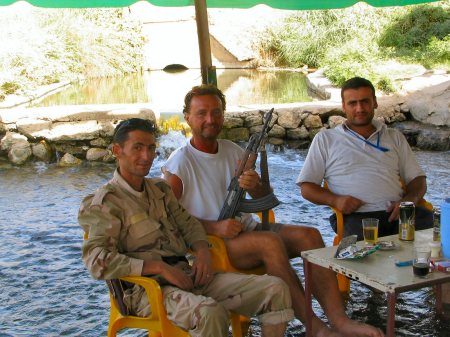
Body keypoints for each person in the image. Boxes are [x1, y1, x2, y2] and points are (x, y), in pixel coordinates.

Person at [162, 84, 384, 337]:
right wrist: (214, 227)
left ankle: (340, 320)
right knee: (269, 243)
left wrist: (255, 185)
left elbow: (265, 198)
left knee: (310, 236)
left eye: (216, 112)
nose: (210, 119)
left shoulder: (233, 150)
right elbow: (168, 220)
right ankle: (316, 328)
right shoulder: (179, 164)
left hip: (243, 231)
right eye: (201, 113)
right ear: (187, 117)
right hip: (211, 243)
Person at [78, 118, 294, 337]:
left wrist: (202, 252)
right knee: (210, 313)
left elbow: (189, 224)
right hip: (147, 291)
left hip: (186, 276)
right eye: (137, 148)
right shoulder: (106, 203)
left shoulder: (160, 190)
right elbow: (96, 261)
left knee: (275, 289)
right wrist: (159, 268)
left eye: (151, 148)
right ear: (117, 150)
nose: (146, 156)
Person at [298, 76, 433, 240]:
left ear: (375, 102)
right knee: (363, 259)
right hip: (356, 217)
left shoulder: (394, 137)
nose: (359, 108)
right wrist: (336, 200)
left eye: (365, 101)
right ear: (343, 106)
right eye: (352, 103)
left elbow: (417, 180)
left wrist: (409, 201)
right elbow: (307, 188)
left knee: (442, 233)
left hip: (398, 212)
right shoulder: (326, 139)